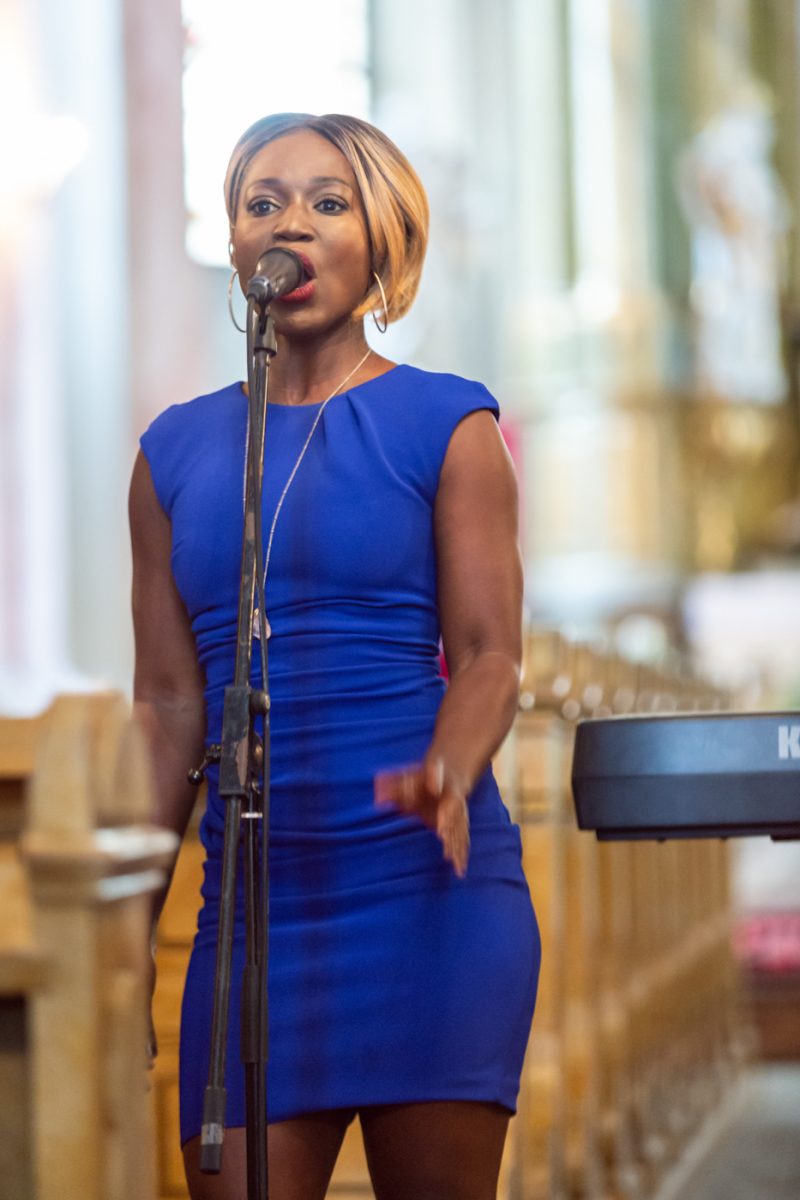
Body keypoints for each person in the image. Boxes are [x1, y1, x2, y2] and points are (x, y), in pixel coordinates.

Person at [130, 112, 539, 1200]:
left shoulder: (447, 425)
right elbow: (170, 703)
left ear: (380, 242)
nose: (292, 223)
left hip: (428, 899)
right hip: (253, 918)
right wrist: (122, 915)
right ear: (232, 243)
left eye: (327, 201)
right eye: (264, 201)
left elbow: (492, 655)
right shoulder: (172, 452)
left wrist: (450, 766)